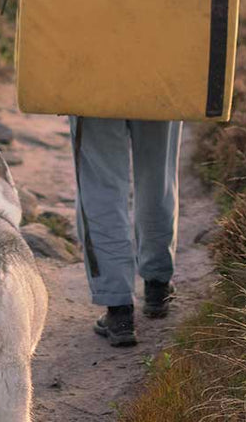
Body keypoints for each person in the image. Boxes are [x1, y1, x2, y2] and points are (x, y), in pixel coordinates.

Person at [70, 116, 180, 347]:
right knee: (158, 176)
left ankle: (119, 309)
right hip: (161, 83)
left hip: (93, 84)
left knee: (101, 186)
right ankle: (157, 286)